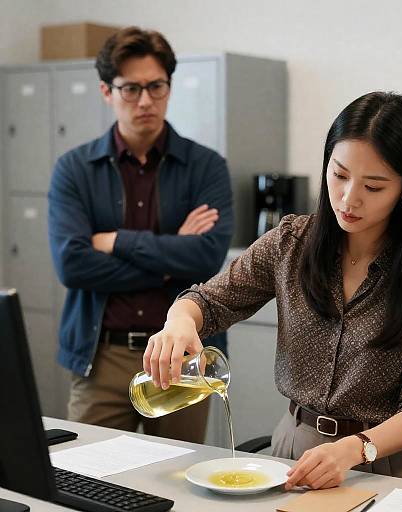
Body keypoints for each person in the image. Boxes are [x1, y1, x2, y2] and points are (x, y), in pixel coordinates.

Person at [143, 91, 402, 488]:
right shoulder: (290, 243)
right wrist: (179, 321)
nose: (349, 198)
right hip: (296, 450)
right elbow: (209, 301)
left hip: (390, 463)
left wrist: (355, 449)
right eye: (340, 173)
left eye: (374, 186)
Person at [48, 26, 233, 443]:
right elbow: (72, 265)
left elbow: (205, 258)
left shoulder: (206, 167)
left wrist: (115, 241)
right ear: (106, 92)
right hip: (103, 355)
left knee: (178, 483)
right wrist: (170, 263)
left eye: (156, 86)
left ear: (169, 87)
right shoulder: (75, 169)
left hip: (183, 358)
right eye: (131, 88)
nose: (146, 100)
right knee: (87, 479)